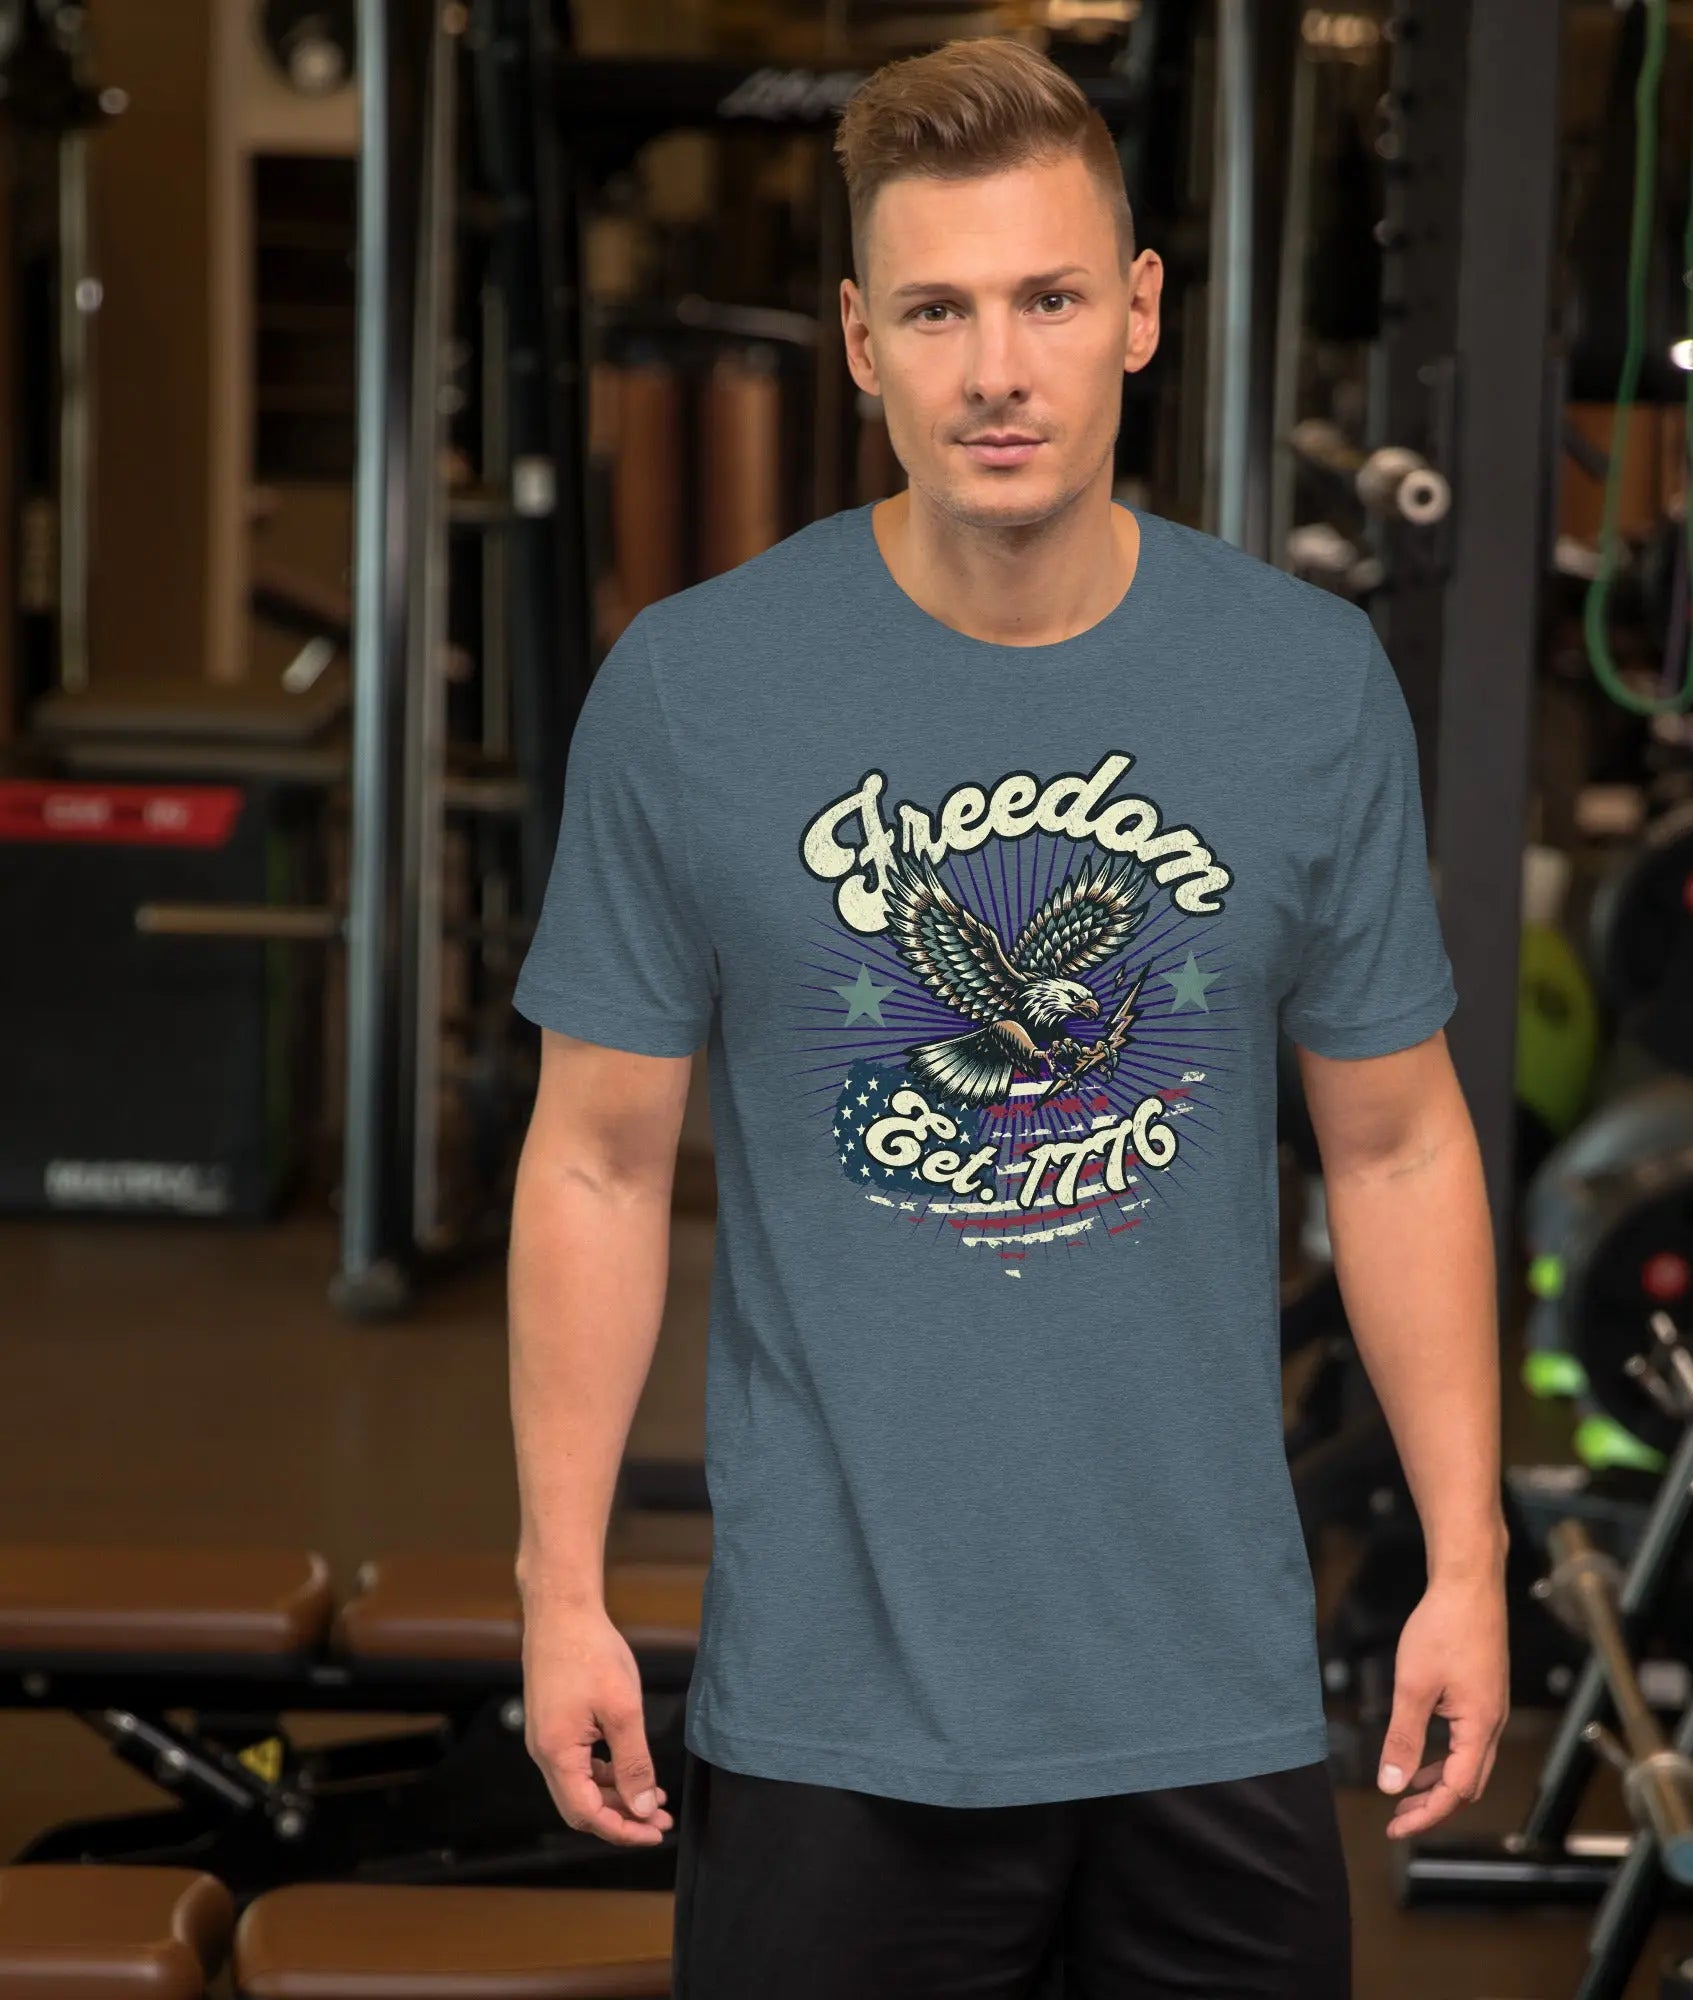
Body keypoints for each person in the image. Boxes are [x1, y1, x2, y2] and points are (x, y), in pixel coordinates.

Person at [507, 33, 1506, 1999]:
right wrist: (560, 1588)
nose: (996, 369)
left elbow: (1396, 1140)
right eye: (940, 310)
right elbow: (598, 1161)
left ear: (1136, 315)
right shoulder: (695, 692)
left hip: (1205, 1697)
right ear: (860, 340)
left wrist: (1464, 1565)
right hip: (833, 1708)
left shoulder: (1302, 686)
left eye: (1048, 298)